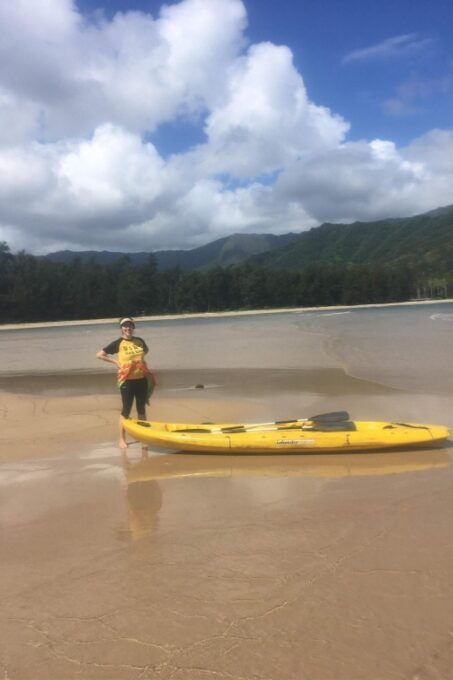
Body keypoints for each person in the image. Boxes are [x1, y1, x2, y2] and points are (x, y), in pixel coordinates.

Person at [96, 317, 155, 449]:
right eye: (125, 326)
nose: (128, 328)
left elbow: (145, 350)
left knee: (141, 410)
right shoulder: (118, 343)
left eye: (130, 325)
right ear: (121, 328)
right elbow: (99, 354)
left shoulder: (140, 341)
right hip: (127, 382)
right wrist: (117, 362)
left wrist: (140, 362)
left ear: (133, 327)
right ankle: (121, 439)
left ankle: (143, 437)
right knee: (126, 411)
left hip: (142, 380)